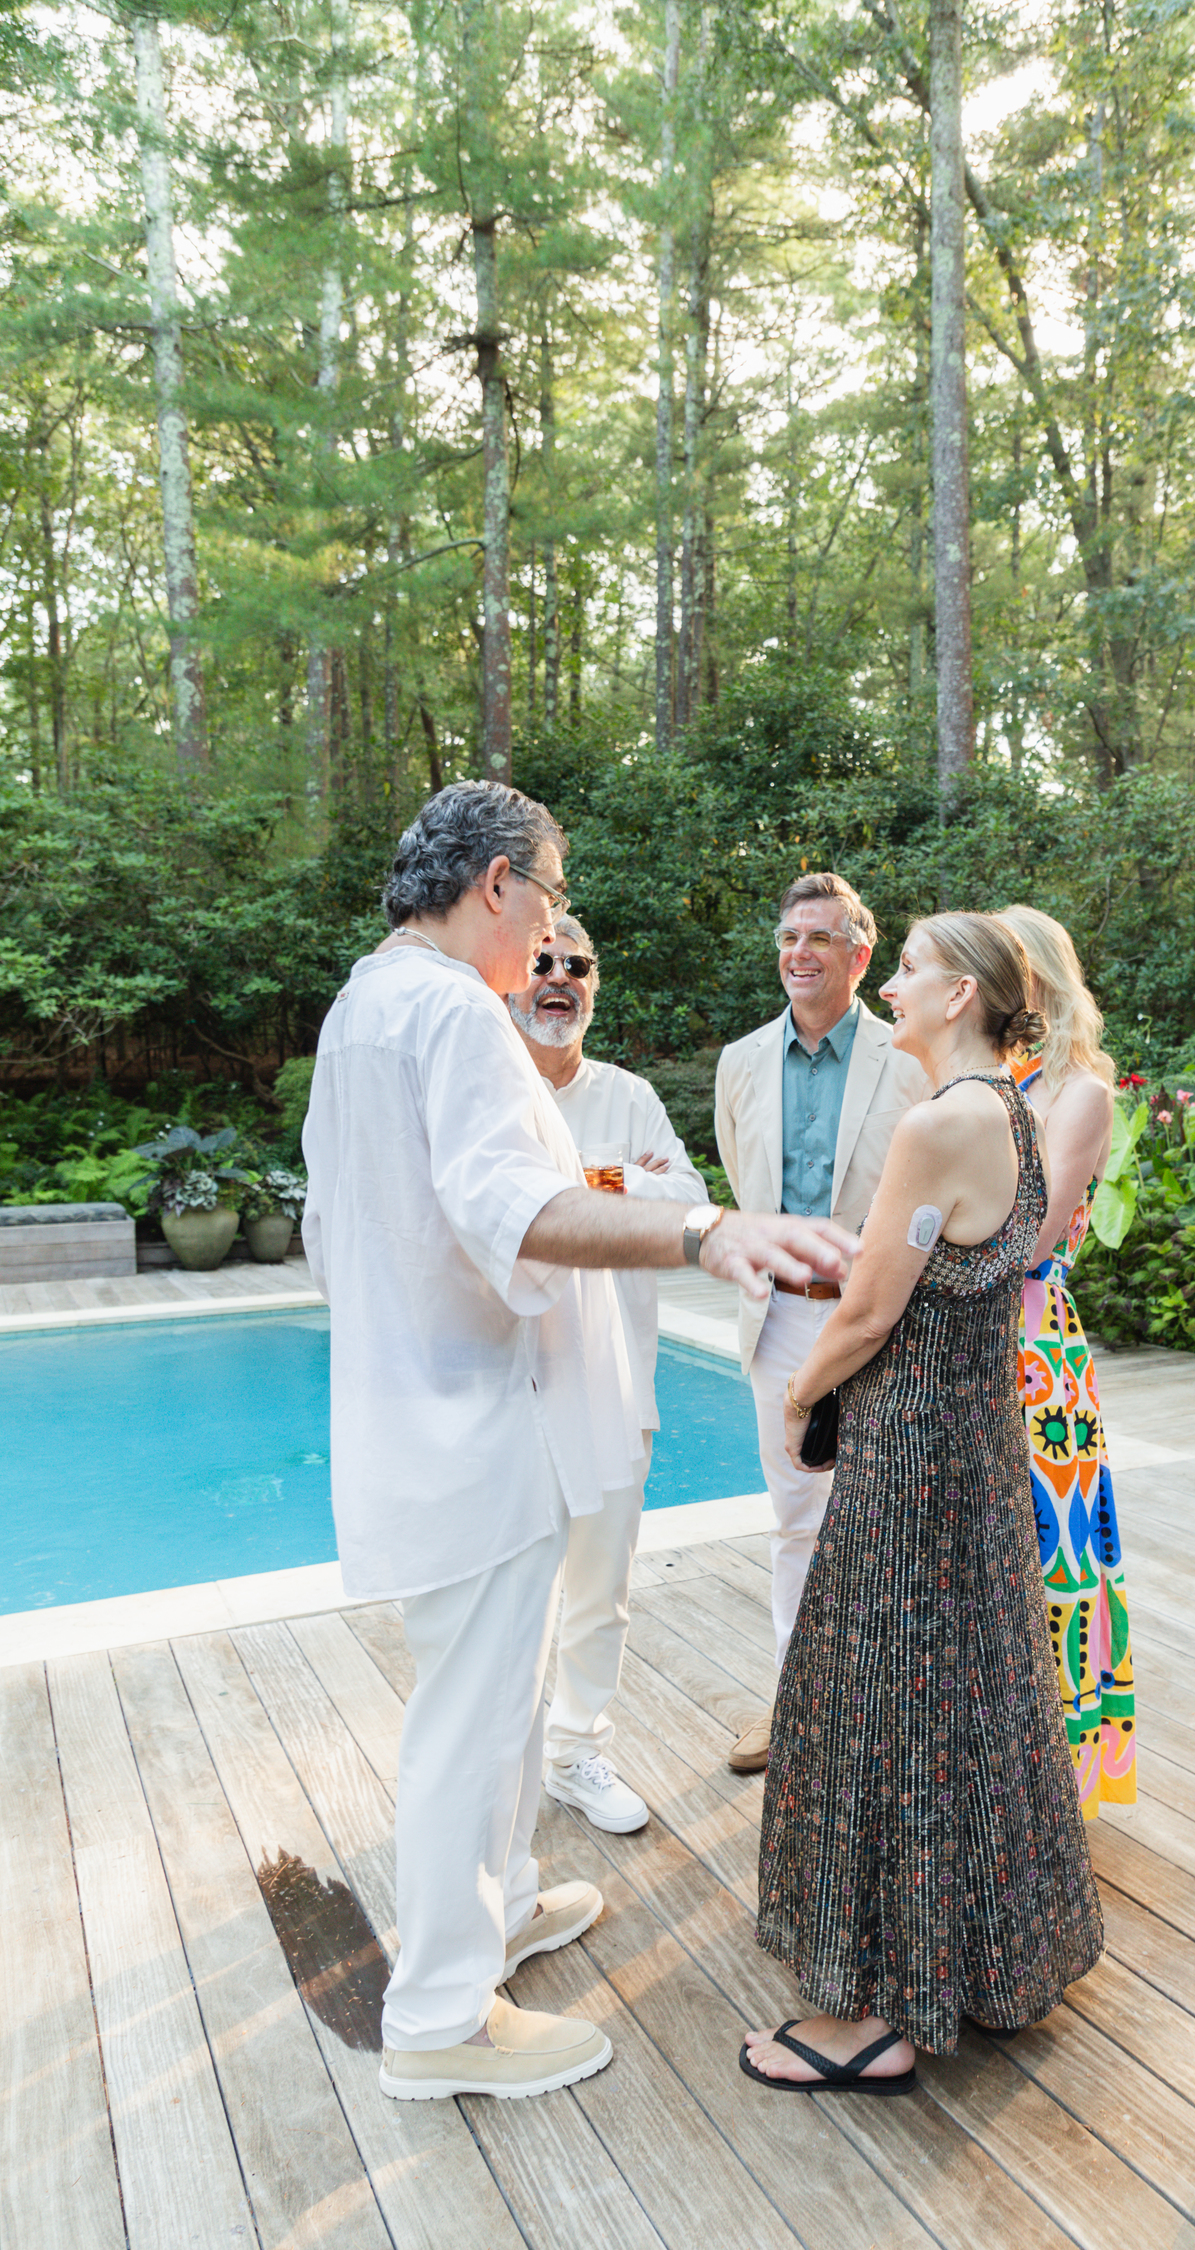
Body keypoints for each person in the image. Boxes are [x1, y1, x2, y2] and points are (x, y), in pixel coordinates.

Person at [302, 780, 856, 2105]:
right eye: (546, 898)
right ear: (497, 883)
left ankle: (492, 1919)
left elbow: (347, 1222)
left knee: (496, 1691)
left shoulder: (364, 1005)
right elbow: (525, 1201)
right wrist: (706, 1233)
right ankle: (441, 2015)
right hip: (477, 1420)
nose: (552, 934)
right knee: (475, 1718)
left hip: (427, 1406)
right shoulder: (454, 1012)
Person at [744, 913, 1105, 2093]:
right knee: (971, 1703)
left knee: (881, 1712)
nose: (887, 985)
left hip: (908, 1462)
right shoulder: (1016, 1112)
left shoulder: (941, 1119)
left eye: (905, 969)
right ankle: (986, 1968)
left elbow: (864, 1313)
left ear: (960, 997)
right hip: (978, 1451)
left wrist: (801, 1399)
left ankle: (879, 2017)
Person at [714, 872, 928, 1773]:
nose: (798, 954)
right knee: (797, 1520)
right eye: (788, 938)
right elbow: (739, 1176)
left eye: (819, 939)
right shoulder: (739, 1063)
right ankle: (798, 1704)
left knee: (894, 1519)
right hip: (779, 1324)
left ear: (859, 955)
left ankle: (889, 1717)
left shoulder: (912, 1061)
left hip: (886, 1323)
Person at [507, 912, 707, 1835]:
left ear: (595, 982)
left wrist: (606, 1183)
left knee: (599, 1590)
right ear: (512, 975)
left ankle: (575, 1750)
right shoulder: (488, 1085)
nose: (557, 978)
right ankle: (498, 1764)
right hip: (506, 1387)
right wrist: (622, 1179)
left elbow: (691, 1206)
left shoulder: (628, 1093)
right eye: (541, 961)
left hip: (615, 1381)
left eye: (575, 965)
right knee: (506, 1593)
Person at [996, 903, 1136, 1820]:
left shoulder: (1079, 1089)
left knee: (1056, 1548)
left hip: (1035, 1337)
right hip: (976, 1324)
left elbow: (1037, 1231)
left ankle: (1062, 1775)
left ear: (1036, 978)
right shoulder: (1002, 1075)